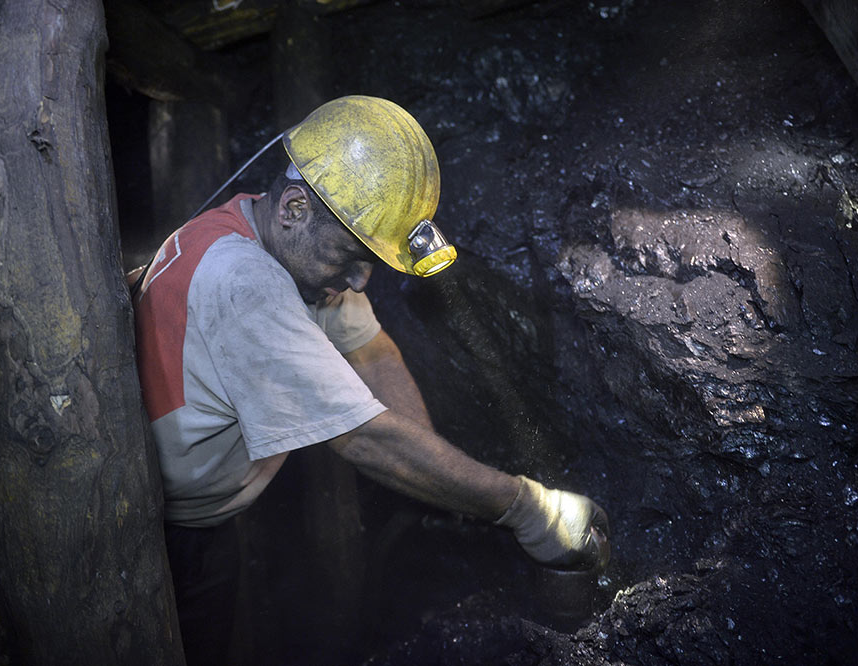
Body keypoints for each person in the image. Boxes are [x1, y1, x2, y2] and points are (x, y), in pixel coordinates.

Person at [131, 95, 609, 664]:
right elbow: (364, 437)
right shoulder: (243, 283)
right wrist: (529, 508)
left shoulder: (294, 251)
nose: (360, 281)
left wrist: (434, 483)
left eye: (370, 263)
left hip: (209, 520)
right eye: (352, 257)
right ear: (293, 208)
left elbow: (374, 356)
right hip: (151, 538)